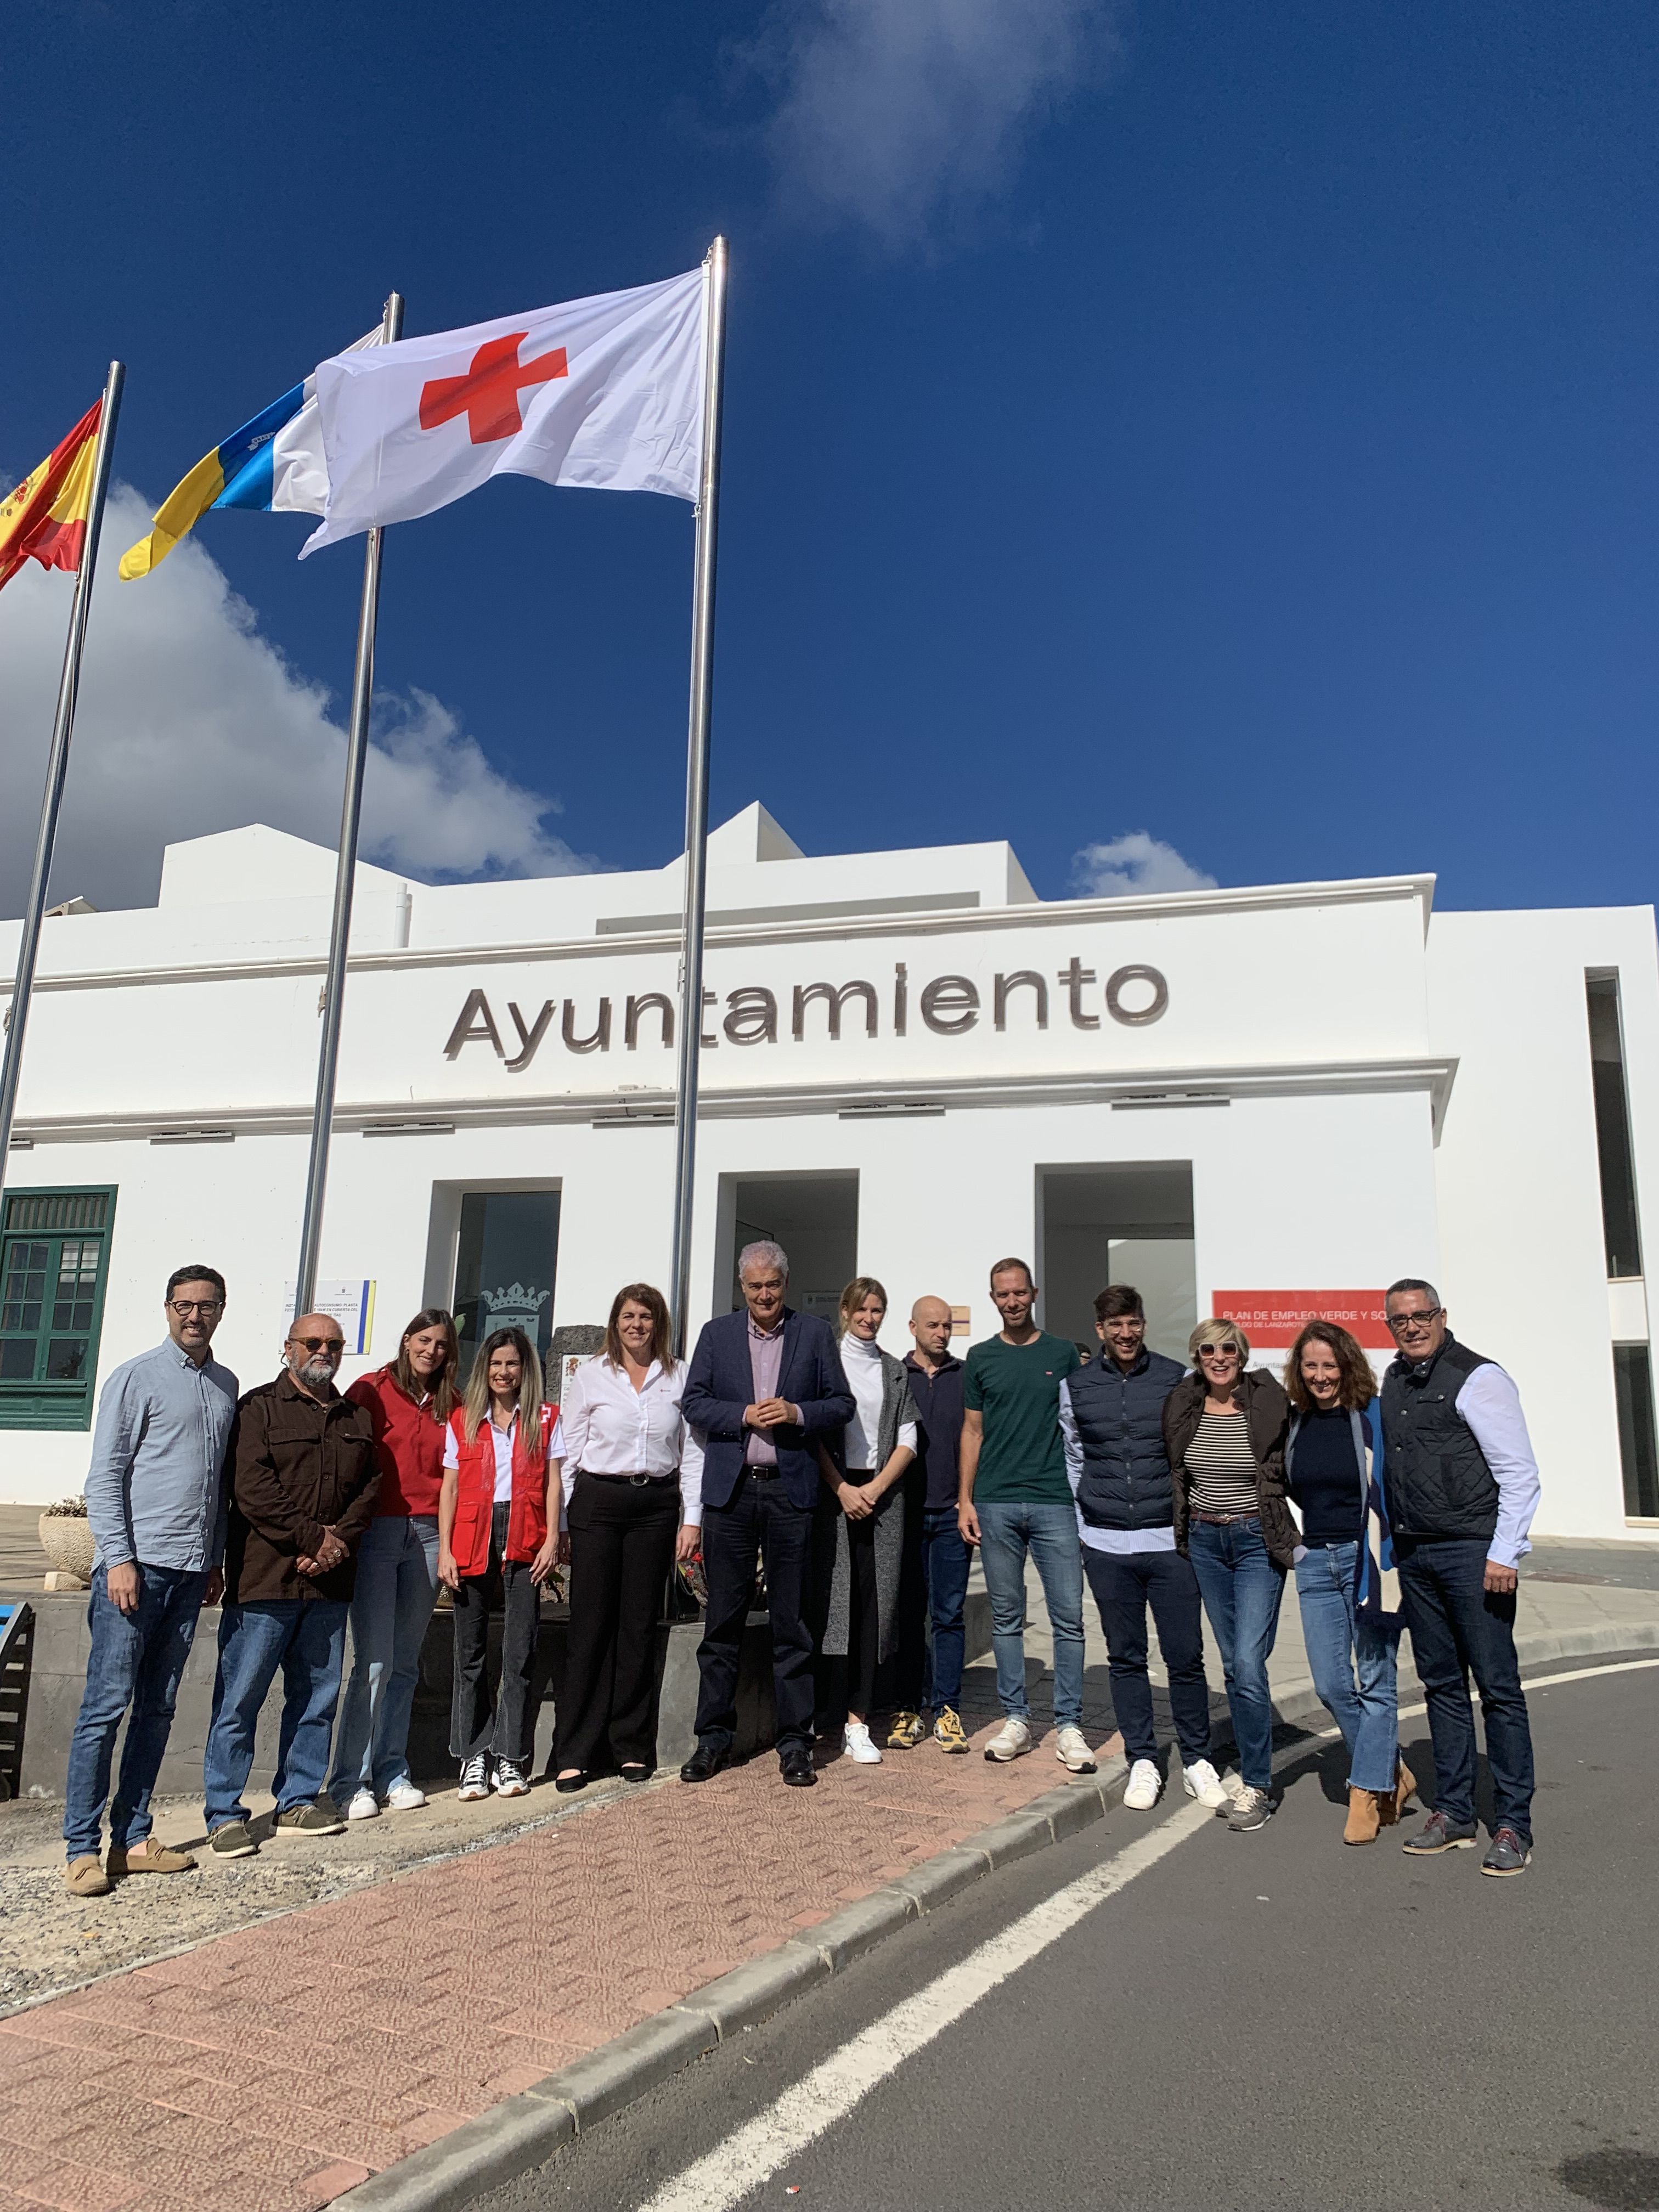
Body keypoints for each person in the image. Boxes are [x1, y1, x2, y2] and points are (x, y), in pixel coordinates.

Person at [61, 1266, 238, 1897]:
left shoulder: (225, 1386)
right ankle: (81, 1848)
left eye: (207, 1305)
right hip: (135, 1572)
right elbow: (105, 1476)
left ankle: (132, 1839)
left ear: (222, 1311)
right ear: (168, 1309)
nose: (196, 1315)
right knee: (105, 1709)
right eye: (185, 1305)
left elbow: (214, 1488)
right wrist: (119, 1559)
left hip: (190, 1575)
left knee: (158, 1710)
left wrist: (215, 1558)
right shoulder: (136, 1377)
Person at [202, 1313, 380, 1857]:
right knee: (240, 1700)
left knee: (316, 1699)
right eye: (312, 1342)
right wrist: (311, 1540)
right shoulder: (256, 1409)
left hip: (329, 1586)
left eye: (333, 1344)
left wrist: (335, 1544)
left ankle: (298, 1799)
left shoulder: (357, 1417)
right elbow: (253, 1489)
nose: (323, 1350)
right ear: (289, 1348)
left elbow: (370, 1489)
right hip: (265, 1581)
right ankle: (224, 1811)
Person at [680, 1239, 855, 1789]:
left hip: (791, 1492)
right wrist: (742, 1415)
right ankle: (712, 1739)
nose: (764, 1295)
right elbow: (694, 1402)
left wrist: (799, 1412)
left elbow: (842, 1404)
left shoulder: (815, 1334)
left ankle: (795, 1743)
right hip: (731, 1496)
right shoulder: (717, 1335)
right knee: (722, 1624)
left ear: (786, 1283)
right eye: (754, 1286)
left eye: (772, 1285)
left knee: (792, 1624)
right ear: (742, 1288)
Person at [1380, 1279, 1541, 1876]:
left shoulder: (1480, 1378)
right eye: (1401, 1319)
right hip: (1418, 1554)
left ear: (1442, 1316)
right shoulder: (1394, 1380)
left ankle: (1513, 1824)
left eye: (1422, 1316)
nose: (1413, 1326)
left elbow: (1520, 1473)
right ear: (1389, 1325)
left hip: (1475, 1553)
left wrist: (1505, 1553)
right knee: (1441, 1686)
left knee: (1498, 1689)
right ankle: (1453, 1813)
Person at [1060, 1286, 1228, 1814]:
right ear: (1100, 1331)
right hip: (1106, 1544)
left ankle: (1198, 1760)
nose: (1126, 1334)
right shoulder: (1076, 1385)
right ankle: (1143, 1760)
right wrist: (1085, 1521)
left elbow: (1195, 1449)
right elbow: (1073, 1453)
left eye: (1133, 1323)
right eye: (1116, 1326)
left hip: (1169, 1543)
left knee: (1185, 1656)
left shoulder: (1177, 1378)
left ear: (1144, 1324)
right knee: (1125, 1658)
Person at [554, 1284, 702, 1791]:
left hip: (654, 1507)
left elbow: (694, 1452)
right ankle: (576, 1751)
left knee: (638, 1628)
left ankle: (630, 1747)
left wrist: (692, 1518)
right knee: (590, 1627)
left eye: (646, 1317)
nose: (637, 1325)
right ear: (614, 1323)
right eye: (628, 1316)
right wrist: (563, 1524)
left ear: (659, 1324)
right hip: (598, 1503)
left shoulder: (679, 1375)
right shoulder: (592, 1376)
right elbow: (569, 1452)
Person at [958, 1258, 1096, 1776]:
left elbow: (1080, 1427)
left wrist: (1088, 1499)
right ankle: (1016, 1717)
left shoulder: (1062, 1353)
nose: (1012, 1301)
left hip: (1055, 1500)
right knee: (1006, 1617)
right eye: (1002, 1294)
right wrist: (965, 1499)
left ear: (1033, 1293)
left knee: (1069, 1618)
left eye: (1019, 1292)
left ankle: (1070, 1725)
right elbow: (972, 1432)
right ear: (993, 1298)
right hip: (994, 1501)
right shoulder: (981, 1356)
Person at [1280, 1319, 1414, 1846]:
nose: (1319, 1375)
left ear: (1347, 1366)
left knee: (1376, 1681)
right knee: (1332, 1684)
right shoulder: (1294, 1424)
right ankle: (1393, 1772)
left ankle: (1366, 1793)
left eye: (1328, 1365)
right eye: (1310, 1365)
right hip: (1315, 1560)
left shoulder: (1372, 1419)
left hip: (1369, 1561)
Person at [326, 1308, 459, 1821]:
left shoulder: (454, 1401)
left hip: (427, 1534)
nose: (432, 1351)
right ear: (406, 1342)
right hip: (379, 1533)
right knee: (374, 1664)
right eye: (424, 1341)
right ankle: (350, 1781)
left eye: (442, 1345)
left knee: (405, 1665)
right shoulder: (370, 1389)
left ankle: (392, 1770)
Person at [1165, 1318, 1293, 1833]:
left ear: (1242, 1353)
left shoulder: (1267, 1398)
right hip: (1205, 1541)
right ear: (1197, 1357)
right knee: (1235, 1667)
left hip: (1255, 1540)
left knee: (1248, 1660)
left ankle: (1257, 1784)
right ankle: (1250, 1765)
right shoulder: (1184, 1402)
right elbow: (1174, 1467)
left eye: (1229, 1349)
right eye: (1208, 1350)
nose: (1219, 1358)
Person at [438, 1327, 564, 1801]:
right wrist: (446, 1549)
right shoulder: (462, 1420)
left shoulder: (546, 1418)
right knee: (469, 1653)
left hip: (525, 1534)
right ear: (483, 1370)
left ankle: (510, 1757)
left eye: (512, 1364)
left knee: (519, 1651)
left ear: (524, 1369)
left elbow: (554, 1483)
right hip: (472, 1534)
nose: (503, 1372)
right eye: (495, 1364)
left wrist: (553, 1538)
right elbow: (449, 1488)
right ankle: (474, 1755)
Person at [812, 1277, 918, 1767]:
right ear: (846, 1310)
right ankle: (819, 1715)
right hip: (833, 1492)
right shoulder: (825, 1362)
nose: (870, 1318)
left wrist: (874, 1488)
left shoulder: (894, 1372)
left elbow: (908, 1439)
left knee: (872, 1607)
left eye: (878, 1311)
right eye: (862, 1309)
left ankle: (859, 1720)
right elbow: (811, 1432)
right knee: (827, 1603)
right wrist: (841, 1488)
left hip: (880, 1496)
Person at [903, 1295, 972, 1753]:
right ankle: (909, 1708)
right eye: (933, 1325)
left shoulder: (965, 1377)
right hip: (904, 1515)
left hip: (951, 1515)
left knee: (949, 1615)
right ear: (913, 1328)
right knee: (908, 1616)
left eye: (947, 1326)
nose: (942, 1333)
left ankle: (947, 1709)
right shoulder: (895, 1375)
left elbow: (978, 1437)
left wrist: (970, 1501)